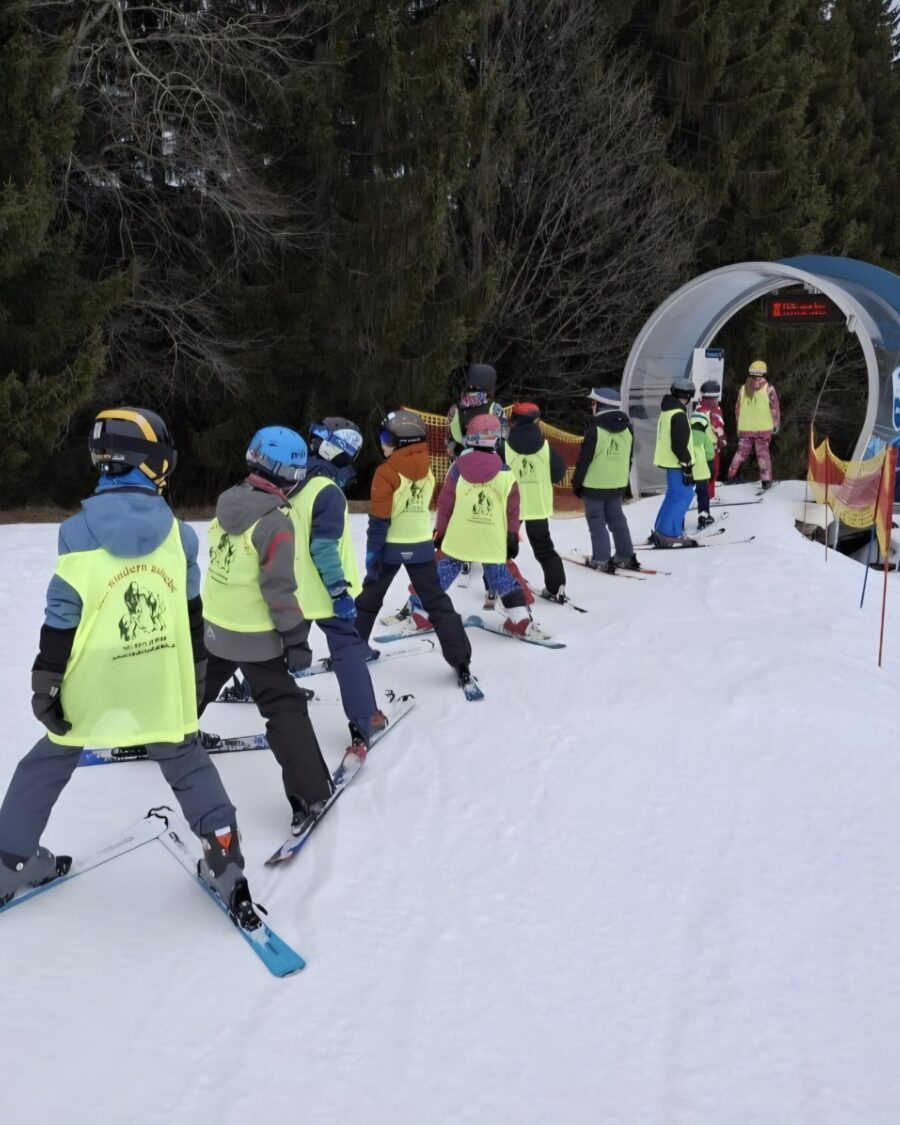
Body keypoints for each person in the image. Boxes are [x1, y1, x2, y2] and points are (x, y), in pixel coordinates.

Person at [0, 407, 253, 919]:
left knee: (47, 762)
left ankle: (8, 863)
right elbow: (191, 615)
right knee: (185, 757)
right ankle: (224, 857)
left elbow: (61, 616)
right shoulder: (180, 536)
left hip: (92, 678)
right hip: (157, 673)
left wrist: (47, 682)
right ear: (150, 462)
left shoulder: (76, 532)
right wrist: (196, 677)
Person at [200, 426, 336, 837]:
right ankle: (311, 793)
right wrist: (295, 638)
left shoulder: (226, 503)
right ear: (290, 476)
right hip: (255, 636)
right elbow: (278, 588)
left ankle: (166, 734)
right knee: (283, 707)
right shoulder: (275, 522)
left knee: (199, 684)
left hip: (216, 626)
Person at [354, 409, 473, 681]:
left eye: (386, 439)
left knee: (369, 599)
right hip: (420, 547)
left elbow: (380, 520)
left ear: (402, 442)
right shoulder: (428, 469)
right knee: (437, 601)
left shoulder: (385, 472)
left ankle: (352, 650)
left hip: (390, 548)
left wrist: (372, 557)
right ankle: (461, 659)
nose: (382, 444)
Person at [289, 418, 385, 746]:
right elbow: (323, 547)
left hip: (293, 589)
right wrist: (339, 591)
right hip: (325, 592)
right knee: (346, 648)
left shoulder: (292, 483)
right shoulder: (328, 492)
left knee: (286, 641)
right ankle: (366, 717)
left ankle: (253, 687)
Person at [434, 414, 550, 640]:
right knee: (500, 574)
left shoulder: (457, 469)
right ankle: (520, 620)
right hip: (491, 538)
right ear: (496, 440)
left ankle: (420, 611)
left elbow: (445, 503)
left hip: (460, 536)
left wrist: (441, 532)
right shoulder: (506, 472)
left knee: (444, 570)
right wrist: (511, 535)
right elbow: (513, 509)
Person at [571, 387, 640, 573]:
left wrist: (577, 484)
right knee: (617, 518)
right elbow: (628, 458)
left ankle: (601, 559)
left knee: (597, 521)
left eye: (593, 403)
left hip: (594, 484)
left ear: (601, 405)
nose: (591, 406)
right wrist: (625, 484)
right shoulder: (628, 429)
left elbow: (584, 461)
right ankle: (625, 556)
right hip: (617, 483)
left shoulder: (595, 429)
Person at [505, 402, 567, 597]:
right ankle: (557, 587)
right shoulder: (546, 446)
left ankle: (497, 586)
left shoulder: (504, 446)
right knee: (544, 548)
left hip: (511, 506)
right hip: (538, 504)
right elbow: (558, 473)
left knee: (502, 547)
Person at [651, 378, 699, 548]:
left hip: (671, 462)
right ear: (688, 396)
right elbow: (679, 444)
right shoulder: (678, 415)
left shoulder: (668, 410)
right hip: (678, 463)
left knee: (673, 496)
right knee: (684, 496)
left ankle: (660, 530)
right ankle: (669, 534)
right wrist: (687, 466)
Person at [725, 359, 781, 488]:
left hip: (745, 428)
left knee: (741, 452)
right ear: (764, 373)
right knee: (763, 453)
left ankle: (731, 476)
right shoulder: (769, 388)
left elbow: (737, 409)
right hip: (763, 428)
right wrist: (776, 424)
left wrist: (738, 426)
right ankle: (766, 481)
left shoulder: (743, 389)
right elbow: (775, 408)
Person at [446, 362, 506, 460]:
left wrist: (459, 452)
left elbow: (449, 441)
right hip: (490, 464)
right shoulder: (496, 409)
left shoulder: (454, 409)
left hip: (462, 464)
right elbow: (503, 442)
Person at [696, 380, 726, 499]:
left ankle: (701, 493)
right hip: (711, 446)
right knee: (713, 471)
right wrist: (722, 441)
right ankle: (709, 496)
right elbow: (718, 428)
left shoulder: (698, 408)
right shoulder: (715, 410)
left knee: (702, 471)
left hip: (698, 445)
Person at [690, 403, 716, 529]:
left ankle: (679, 521)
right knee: (703, 496)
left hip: (688, 473)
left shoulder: (686, 436)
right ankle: (704, 517)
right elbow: (710, 455)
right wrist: (711, 472)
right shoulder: (705, 438)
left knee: (685, 497)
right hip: (701, 474)